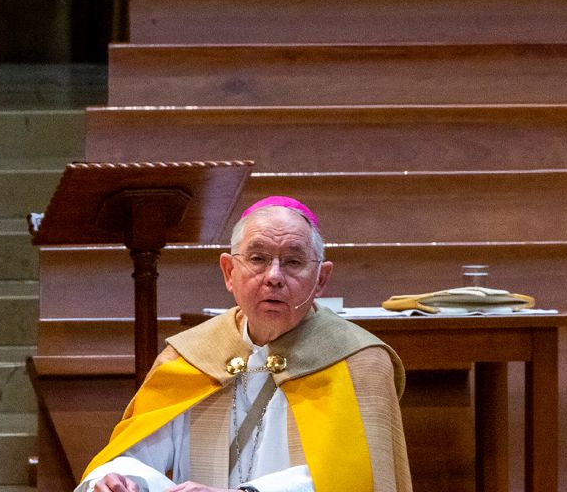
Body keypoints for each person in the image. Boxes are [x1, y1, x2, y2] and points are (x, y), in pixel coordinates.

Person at [76, 196, 412, 492]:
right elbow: (135, 455)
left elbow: (356, 481)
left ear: (321, 279)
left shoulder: (359, 362)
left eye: (293, 261)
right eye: (258, 259)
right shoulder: (191, 355)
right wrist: (120, 478)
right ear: (228, 271)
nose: (274, 276)